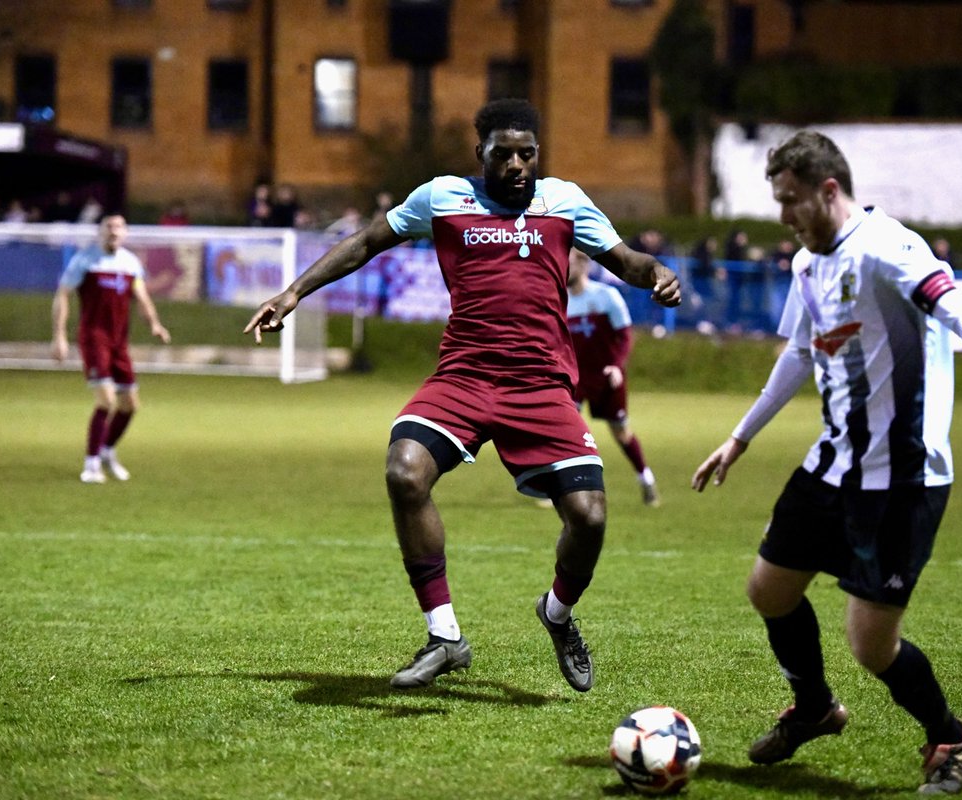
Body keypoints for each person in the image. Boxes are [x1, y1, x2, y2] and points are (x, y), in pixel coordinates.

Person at [244, 98, 680, 692]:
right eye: (505, 154)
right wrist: (294, 292)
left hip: (542, 384)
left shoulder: (566, 201)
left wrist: (656, 275)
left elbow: (627, 259)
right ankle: (444, 635)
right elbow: (368, 241)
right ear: (482, 154)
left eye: (528, 153)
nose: (519, 165)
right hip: (465, 377)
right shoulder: (443, 197)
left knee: (591, 518)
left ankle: (557, 612)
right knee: (405, 471)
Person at [691, 131, 962, 796]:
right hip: (833, 465)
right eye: (778, 202)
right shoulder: (806, 264)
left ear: (830, 190)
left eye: (791, 201)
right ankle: (815, 709)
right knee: (769, 590)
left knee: (871, 644)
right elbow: (797, 353)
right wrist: (739, 439)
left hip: (902, 477)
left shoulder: (890, 249)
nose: (783, 216)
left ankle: (948, 736)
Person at [51, 214, 172, 483]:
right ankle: (91, 464)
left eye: (118, 227)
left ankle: (106, 450)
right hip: (94, 340)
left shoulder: (130, 263)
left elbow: (141, 297)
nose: (114, 232)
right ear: (100, 232)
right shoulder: (85, 260)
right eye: (109, 227)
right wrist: (59, 335)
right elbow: (62, 294)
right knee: (107, 400)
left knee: (130, 404)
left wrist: (155, 323)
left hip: (119, 343)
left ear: (126, 233)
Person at [566, 248, 660, 506]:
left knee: (621, 433)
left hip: (607, 378)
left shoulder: (607, 296)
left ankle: (646, 479)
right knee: (565, 432)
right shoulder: (559, 301)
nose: (563, 267)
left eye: (569, 262)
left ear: (583, 265)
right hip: (575, 380)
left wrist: (617, 366)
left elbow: (625, 336)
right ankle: (562, 490)